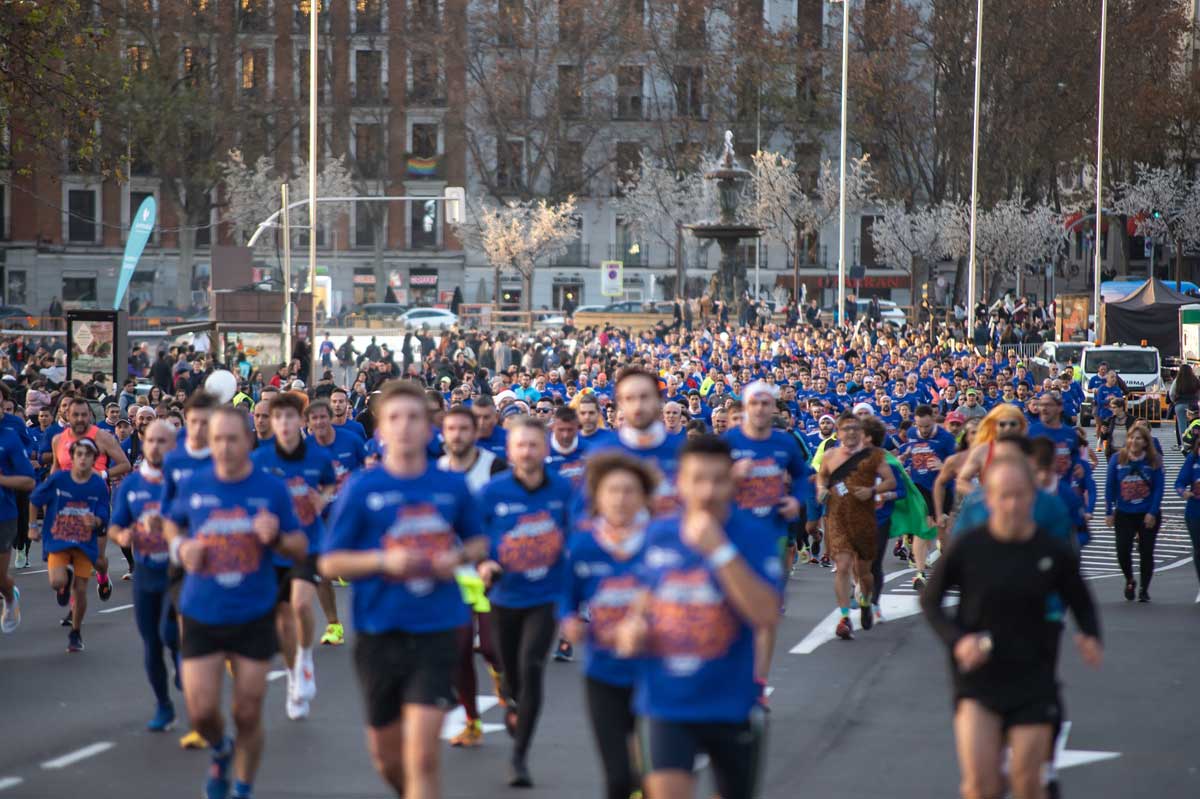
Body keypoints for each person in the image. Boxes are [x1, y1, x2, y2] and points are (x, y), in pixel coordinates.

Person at [319, 380, 488, 799]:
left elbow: (481, 539)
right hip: (379, 631)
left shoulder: (450, 485)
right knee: (387, 757)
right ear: (381, 430)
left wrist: (456, 557)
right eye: (396, 418)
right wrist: (382, 562)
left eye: (415, 417)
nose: (406, 426)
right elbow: (330, 562)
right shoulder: (362, 488)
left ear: (429, 427)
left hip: (437, 627)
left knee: (423, 756)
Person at [922, 454, 1102, 799]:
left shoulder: (1050, 550)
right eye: (1003, 495)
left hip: (1032, 675)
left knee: (1027, 783)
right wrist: (957, 641)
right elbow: (930, 601)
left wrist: (1090, 634)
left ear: (1033, 497)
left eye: (1020, 495)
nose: (1013, 504)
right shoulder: (969, 546)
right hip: (978, 676)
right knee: (980, 786)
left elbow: (1080, 598)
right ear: (988, 499)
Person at [613, 435, 782, 799]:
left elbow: (766, 614)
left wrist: (718, 550)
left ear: (731, 481)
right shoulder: (659, 534)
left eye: (717, 480)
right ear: (680, 483)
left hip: (731, 702)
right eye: (697, 479)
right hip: (666, 701)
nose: (706, 491)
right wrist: (633, 627)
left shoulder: (753, 535)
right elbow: (643, 597)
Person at [164, 406, 307, 799]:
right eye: (217, 440)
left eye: (233, 439)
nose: (225, 447)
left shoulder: (271, 488)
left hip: (253, 611)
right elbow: (172, 521)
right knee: (202, 712)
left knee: (247, 713)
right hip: (201, 610)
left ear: (249, 440)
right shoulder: (194, 484)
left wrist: (276, 536)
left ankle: (242, 788)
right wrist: (180, 546)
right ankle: (221, 749)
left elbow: (300, 546)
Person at [477, 417, 573, 787]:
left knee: (532, 664)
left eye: (535, 445)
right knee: (510, 669)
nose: (528, 452)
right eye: (521, 445)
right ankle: (512, 699)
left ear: (545, 449)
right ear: (511, 450)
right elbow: (477, 536)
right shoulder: (493, 492)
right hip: (504, 595)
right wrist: (485, 562)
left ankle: (519, 757)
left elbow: (577, 534)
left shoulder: (563, 490)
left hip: (545, 595)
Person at [560, 452, 657, 799]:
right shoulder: (584, 544)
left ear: (644, 496)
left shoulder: (660, 542)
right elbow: (565, 595)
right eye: (611, 490)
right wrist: (569, 619)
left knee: (658, 776)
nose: (620, 499)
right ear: (597, 497)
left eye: (629, 491)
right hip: (604, 673)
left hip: (656, 671)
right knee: (618, 779)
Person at [251, 391, 337, 719]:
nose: (285, 424)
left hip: (308, 542)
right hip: (273, 549)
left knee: (301, 603)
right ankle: (292, 676)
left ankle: (305, 658)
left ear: (301, 422)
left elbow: (329, 483)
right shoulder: (260, 460)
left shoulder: (317, 457)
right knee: (282, 616)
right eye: (278, 418)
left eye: (290, 417)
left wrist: (322, 499)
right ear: (271, 423)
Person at [436, 406, 507, 748]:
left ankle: (499, 673)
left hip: (489, 570)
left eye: (465, 428)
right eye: (452, 429)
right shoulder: (434, 471)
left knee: (492, 649)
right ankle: (471, 721)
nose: (458, 435)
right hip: (454, 575)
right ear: (443, 433)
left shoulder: (493, 466)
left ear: (475, 431)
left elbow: (506, 518)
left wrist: (494, 558)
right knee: (459, 652)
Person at [109, 419, 181, 730]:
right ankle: (163, 705)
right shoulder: (132, 484)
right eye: (150, 440)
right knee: (151, 642)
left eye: (162, 441)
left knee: (170, 633)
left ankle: (184, 666)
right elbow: (115, 524)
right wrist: (121, 537)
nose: (155, 446)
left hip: (178, 572)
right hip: (146, 573)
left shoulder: (183, 482)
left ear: (173, 446)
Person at [816, 413, 895, 639]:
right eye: (846, 429)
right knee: (842, 566)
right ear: (838, 433)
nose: (850, 433)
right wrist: (821, 489)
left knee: (864, 572)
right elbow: (822, 477)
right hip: (838, 518)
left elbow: (891, 481)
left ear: (861, 433)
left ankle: (866, 600)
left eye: (855, 429)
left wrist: (871, 491)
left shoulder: (874, 456)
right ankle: (843, 617)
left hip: (865, 519)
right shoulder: (830, 456)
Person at [31, 438, 111, 652]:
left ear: (95, 459)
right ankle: (64, 582)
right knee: (57, 582)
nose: (83, 458)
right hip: (58, 539)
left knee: (82, 590)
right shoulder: (59, 479)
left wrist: (96, 521)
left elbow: (103, 510)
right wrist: (32, 526)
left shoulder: (98, 484)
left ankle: (75, 632)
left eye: (88, 455)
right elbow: (35, 499)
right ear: (72, 457)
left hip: (85, 542)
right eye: (79, 454)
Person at [1104, 424, 1163, 603]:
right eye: (1131, 437)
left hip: (1147, 512)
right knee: (1122, 550)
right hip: (1124, 512)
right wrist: (1109, 511)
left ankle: (1144, 588)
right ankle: (1130, 579)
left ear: (1146, 442)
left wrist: (1152, 512)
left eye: (1138, 438)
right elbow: (1110, 486)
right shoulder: (1117, 459)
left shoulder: (1154, 460)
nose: (1134, 441)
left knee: (1146, 551)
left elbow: (1158, 488)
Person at [0, 423, 37, 633]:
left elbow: (29, 481)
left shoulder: (9, 437)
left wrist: (2, 479)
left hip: (3, 513)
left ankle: (8, 594)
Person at [1172, 432, 1200, 603]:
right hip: (1194, 512)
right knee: (1198, 549)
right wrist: (1183, 492)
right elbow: (1180, 482)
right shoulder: (1193, 460)